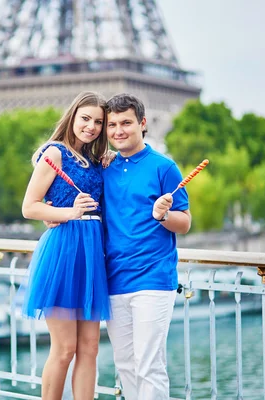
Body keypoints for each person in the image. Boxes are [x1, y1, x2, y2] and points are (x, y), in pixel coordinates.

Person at [20, 91, 111, 400]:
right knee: (64, 349)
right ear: (72, 117)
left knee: (91, 347)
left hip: (91, 255)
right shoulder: (56, 154)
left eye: (98, 121)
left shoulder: (98, 161)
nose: (91, 126)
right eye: (85, 118)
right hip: (63, 253)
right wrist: (68, 212)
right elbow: (30, 207)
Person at [103, 93, 191, 399]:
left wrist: (163, 215)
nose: (118, 131)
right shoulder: (105, 168)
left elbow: (185, 221)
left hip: (153, 279)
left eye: (126, 122)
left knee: (149, 365)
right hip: (114, 280)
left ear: (142, 123)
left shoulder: (164, 167)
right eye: (112, 124)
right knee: (125, 364)